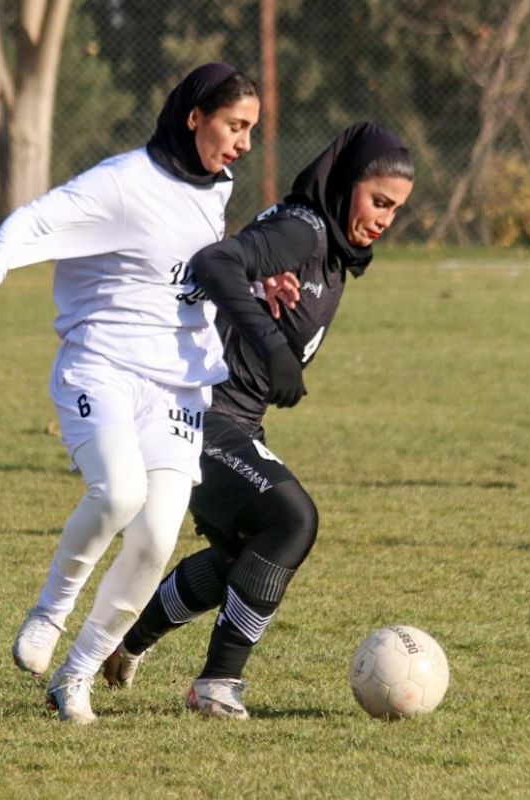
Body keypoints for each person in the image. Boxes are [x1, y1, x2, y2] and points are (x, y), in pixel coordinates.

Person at [0, 64, 300, 725]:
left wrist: (258, 286)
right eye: (235, 125)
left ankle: (76, 676)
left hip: (177, 387)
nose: (245, 143)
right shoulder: (122, 182)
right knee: (118, 492)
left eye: (251, 129)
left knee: (156, 537)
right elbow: (36, 218)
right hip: (102, 368)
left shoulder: (215, 186)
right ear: (194, 117)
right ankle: (50, 612)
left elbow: (187, 272)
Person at [101, 122, 415, 719]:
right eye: (378, 201)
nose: (384, 219)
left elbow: (240, 259)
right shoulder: (305, 229)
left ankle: (125, 644)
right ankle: (217, 683)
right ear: (346, 184)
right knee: (291, 520)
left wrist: (254, 282)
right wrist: (271, 343)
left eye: (395, 209)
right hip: (194, 414)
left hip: (234, 421)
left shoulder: (327, 247)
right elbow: (215, 261)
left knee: (243, 558)